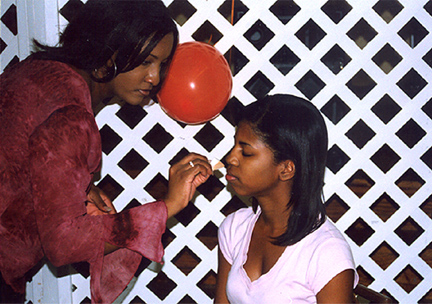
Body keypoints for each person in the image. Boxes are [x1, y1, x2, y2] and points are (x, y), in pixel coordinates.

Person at [0, 0, 212, 303]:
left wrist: (77, 190)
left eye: (161, 65)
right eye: (145, 61)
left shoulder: (37, 73)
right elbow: (63, 244)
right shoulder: (71, 114)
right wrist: (167, 206)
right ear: (108, 49)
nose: (154, 78)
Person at [215, 94, 359, 303]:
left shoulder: (325, 251)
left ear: (286, 169)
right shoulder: (234, 229)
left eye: (245, 152)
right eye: (235, 145)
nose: (230, 158)